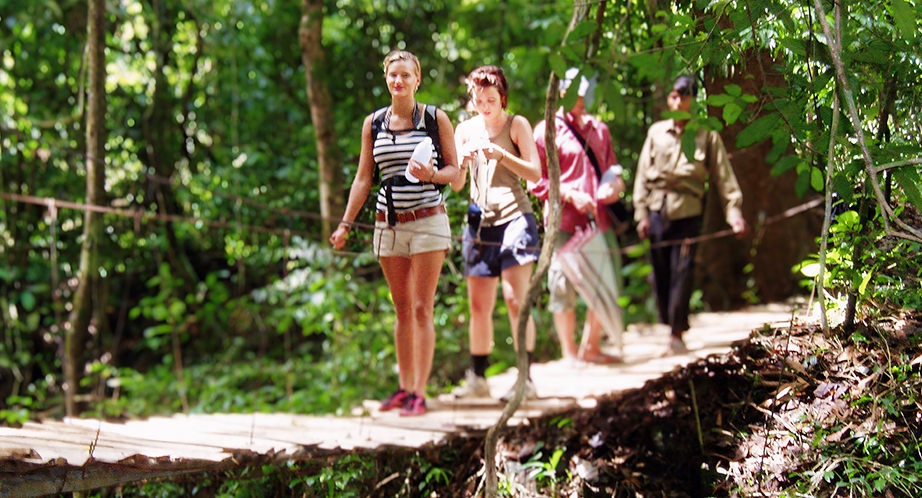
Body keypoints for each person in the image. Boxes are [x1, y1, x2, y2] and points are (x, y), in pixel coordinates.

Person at [329, 50, 461, 416]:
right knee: (402, 309)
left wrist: (432, 176)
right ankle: (404, 389)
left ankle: (420, 392)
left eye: (406, 75)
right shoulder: (373, 124)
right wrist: (345, 223)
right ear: (387, 79)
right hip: (387, 224)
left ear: (418, 79)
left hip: (428, 222)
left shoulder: (435, 118)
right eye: (393, 75)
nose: (398, 81)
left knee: (422, 308)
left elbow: (457, 174)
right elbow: (362, 178)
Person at [633, 75, 748, 356]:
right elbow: (640, 177)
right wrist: (641, 213)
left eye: (683, 97)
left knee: (682, 271)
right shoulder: (656, 132)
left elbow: (723, 177)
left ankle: (676, 333)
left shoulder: (706, 134)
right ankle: (669, 326)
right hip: (658, 209)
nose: (677, 101)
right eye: (673, 96)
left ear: (692, 101)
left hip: (688, 210)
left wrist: (734, 213)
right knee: (660, 273)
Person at [448, 66, 543, 401]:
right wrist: (460, 160)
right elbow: (458, 184)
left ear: (502, 98)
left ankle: (525, 379)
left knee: (516, 300)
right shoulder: (464, 130)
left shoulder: (516, 125)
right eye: (479, 99)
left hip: (515, 218)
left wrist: (501, 154)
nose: (485, 104)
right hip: (478, 223)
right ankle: (478, 377)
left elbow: (535, 173)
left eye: (492, 99)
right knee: (478, 305)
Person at [529, 67, 625, 365]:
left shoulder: (600, 129)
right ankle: (569, 354)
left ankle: (590, 346)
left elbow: (613, 170)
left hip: (597, 221)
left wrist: (615, 187)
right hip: (563, 223)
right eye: (575, 94)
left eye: (584, 93)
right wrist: (570, 194)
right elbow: (536, 182)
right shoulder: (545, 130)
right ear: (561, 93)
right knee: (562, 286)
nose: (581, 99)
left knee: (603, 284)